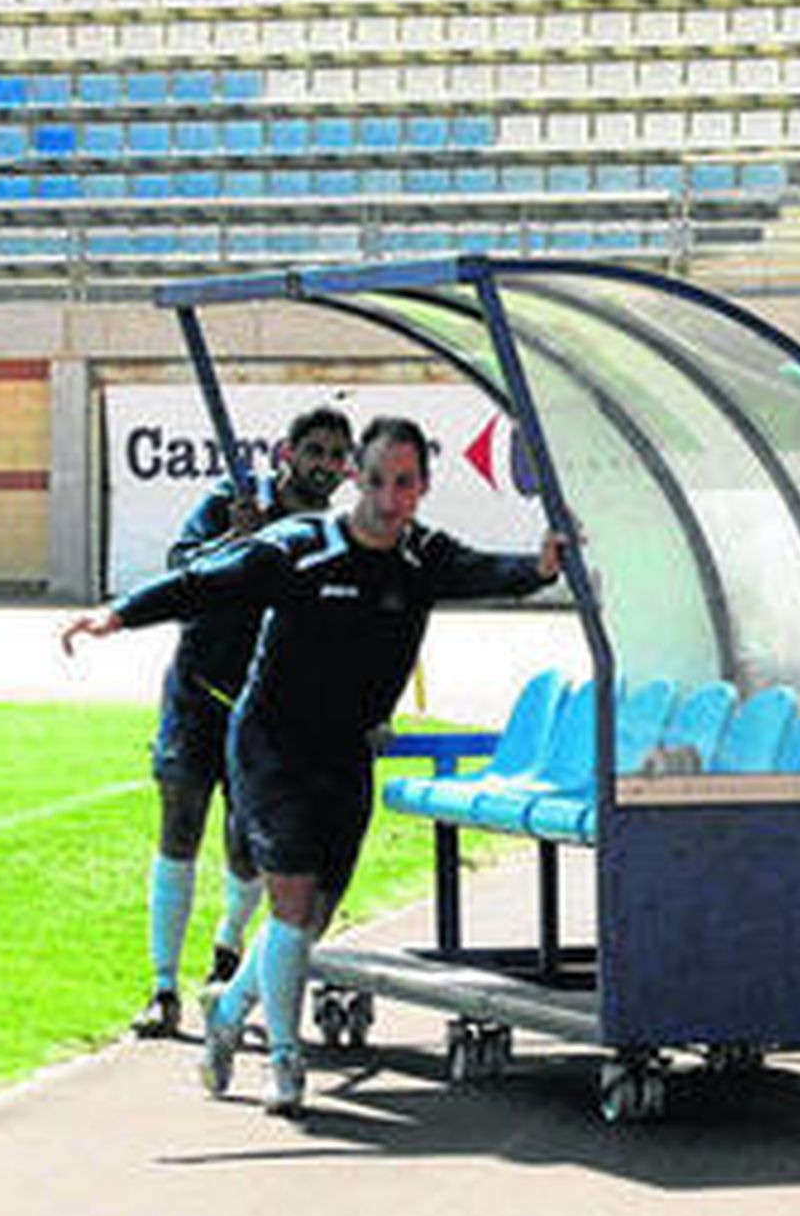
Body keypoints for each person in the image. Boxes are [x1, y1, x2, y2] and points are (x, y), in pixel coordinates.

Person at [64, 416, 565, 1117]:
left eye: (407, 483)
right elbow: (203, 582)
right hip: (272, 748)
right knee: (291, 901)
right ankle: (284, 1059)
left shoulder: (424, 557)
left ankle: (232, 1007)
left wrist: (542, 566)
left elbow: (497, 573)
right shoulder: (301, 547)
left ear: (423, 486)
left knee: (309, 921)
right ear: (356, 477)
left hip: (347, 753)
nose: (392, 499)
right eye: (381, 480)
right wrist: (119, 614)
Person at [131, 405, 355, 1039]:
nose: (326, 466)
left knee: (247, 848)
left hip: (269, 710)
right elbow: (181, 570)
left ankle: (227, 954)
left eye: (338, 456)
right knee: (180, 824)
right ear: (286, 452)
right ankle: (163, 988)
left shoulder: (334, 531)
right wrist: (236, 537)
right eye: (315, 451)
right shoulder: (233, 499)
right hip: (199, 690)